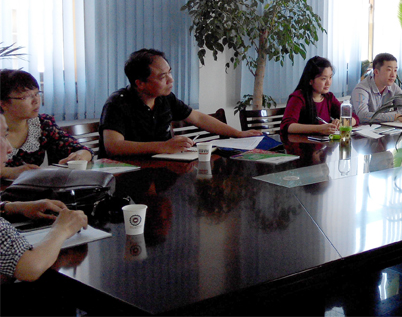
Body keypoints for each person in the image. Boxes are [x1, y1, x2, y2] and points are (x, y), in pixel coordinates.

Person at [99, 49, 263, 157]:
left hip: (161, 167)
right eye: (162, 77)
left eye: (169, 73)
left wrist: (238, 133)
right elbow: (114, 146)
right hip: (127, 173)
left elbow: (198, 118)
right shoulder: (117, 104)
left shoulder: (165, 98)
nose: (171, 80)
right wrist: (162, 146)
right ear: (140, 83)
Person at [0, 114, 88, 283]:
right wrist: (62, 229)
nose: (10, 149)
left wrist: (12, 207)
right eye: (3, 136)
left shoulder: (41, 124)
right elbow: (30, 267)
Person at [0, 69, 92, 179]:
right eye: (25, 97)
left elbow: (82, 150)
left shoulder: (42, 124)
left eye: (37, 94)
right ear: (3, 104)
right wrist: (8, 172)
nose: (36, 101)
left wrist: (79, 156)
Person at [280, 56, 360, 135]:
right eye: (323, 79)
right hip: (302, 142)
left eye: (330, 77)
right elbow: (287, 126)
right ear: (310, 81)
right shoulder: (298, 97)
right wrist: (319, 129)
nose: (328, 83)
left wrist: (342, 123)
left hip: (324, 142)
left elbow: (354, 118)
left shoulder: (329, 97)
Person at [351, 53, 402, 123]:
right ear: (376, 72)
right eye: (389, 70)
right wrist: (396, 116)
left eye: (395, 70)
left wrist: (394, 116)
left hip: (384, 127)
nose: (393, 75)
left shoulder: (393, 87)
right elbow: (363, 116)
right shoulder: (361, 89)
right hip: (362, 128)